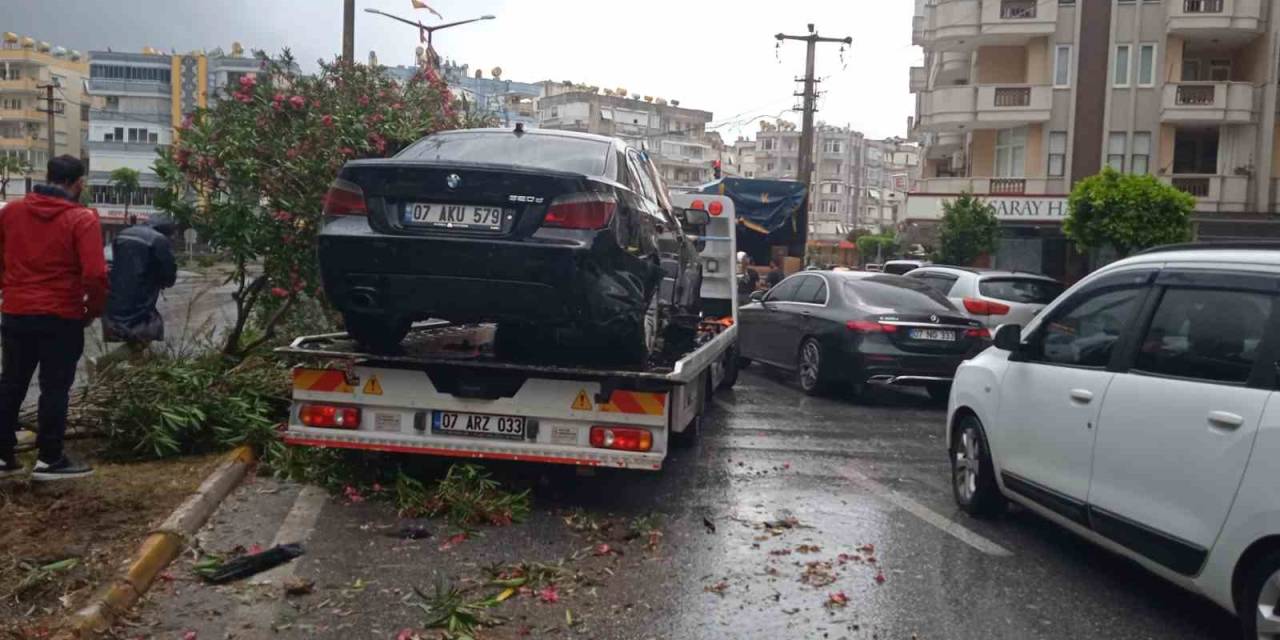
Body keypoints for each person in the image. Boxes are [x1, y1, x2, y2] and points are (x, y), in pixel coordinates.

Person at [0, 155, 107, 480]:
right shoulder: (82, 219)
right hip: (61, 316)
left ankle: (3, 458)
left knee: (11, 383)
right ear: (78, 183)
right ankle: (50, 459)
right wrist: (91, 311)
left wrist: (11, 292)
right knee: (55, 387)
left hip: (16, 313)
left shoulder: (11, 213)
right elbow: (96, 275)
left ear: (48, 176)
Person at [103, 216, 178, 351]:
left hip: (115, 293)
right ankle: (105, 361)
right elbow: (168, 270)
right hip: (141, 295)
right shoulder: (158, 239)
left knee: (132, 334)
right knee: (148, 331)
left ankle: (131, 365)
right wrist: (165, 281)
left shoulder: (124, 234)